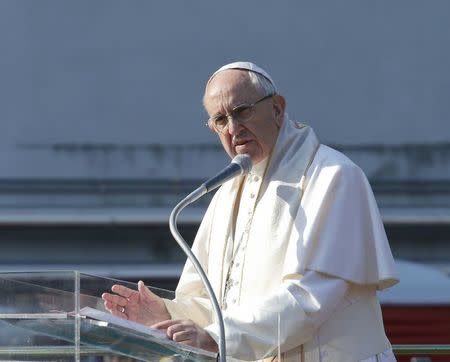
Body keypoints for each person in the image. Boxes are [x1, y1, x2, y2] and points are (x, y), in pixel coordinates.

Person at [102, 61, 399, 362]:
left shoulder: (333, 175)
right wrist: (166, 314)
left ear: (277, 109)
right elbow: (215, 302)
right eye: (219, 119)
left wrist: (218, 337)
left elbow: (311, 295)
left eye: (242, 111)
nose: (233, 128)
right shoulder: (226, 193)